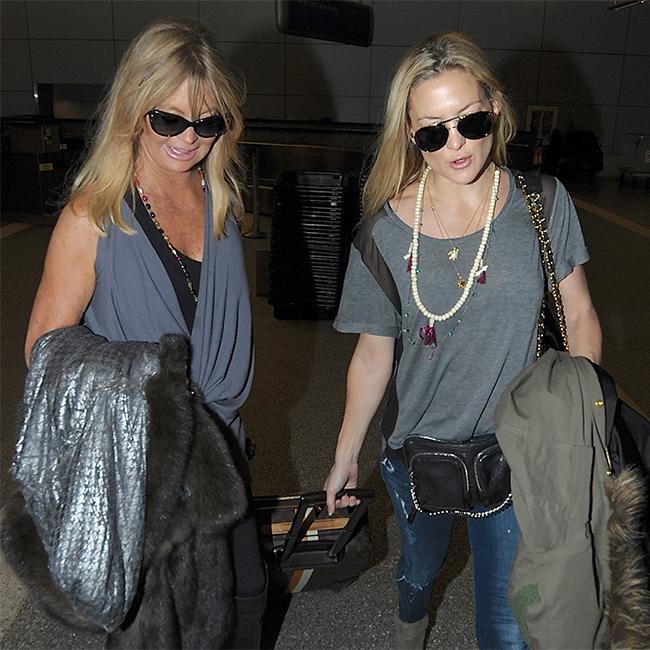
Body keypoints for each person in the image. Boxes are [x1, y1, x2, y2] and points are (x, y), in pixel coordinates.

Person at [324, 32, 601, 650]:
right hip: (416, 450)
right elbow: (372, 354)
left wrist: (576, 422)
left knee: (507, 624)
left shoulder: (541, 202)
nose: (456, 144)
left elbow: (580, 314)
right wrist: (346, 452)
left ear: (494, 109)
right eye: (433, 132)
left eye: (470, 122)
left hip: (515, 447)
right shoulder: (383, 233)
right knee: (420, 570)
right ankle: (410, 621)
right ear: (409, 133)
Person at [23, 17, 266, 649]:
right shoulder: (94, 215)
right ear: (134, 110)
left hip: (221, 452)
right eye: (169, 120)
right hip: (142, 468)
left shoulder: (220, 203)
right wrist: (151, 384)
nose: (189, 139)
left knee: (245, 605)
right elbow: (42, 351)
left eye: (207, 123)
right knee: (154, 632)